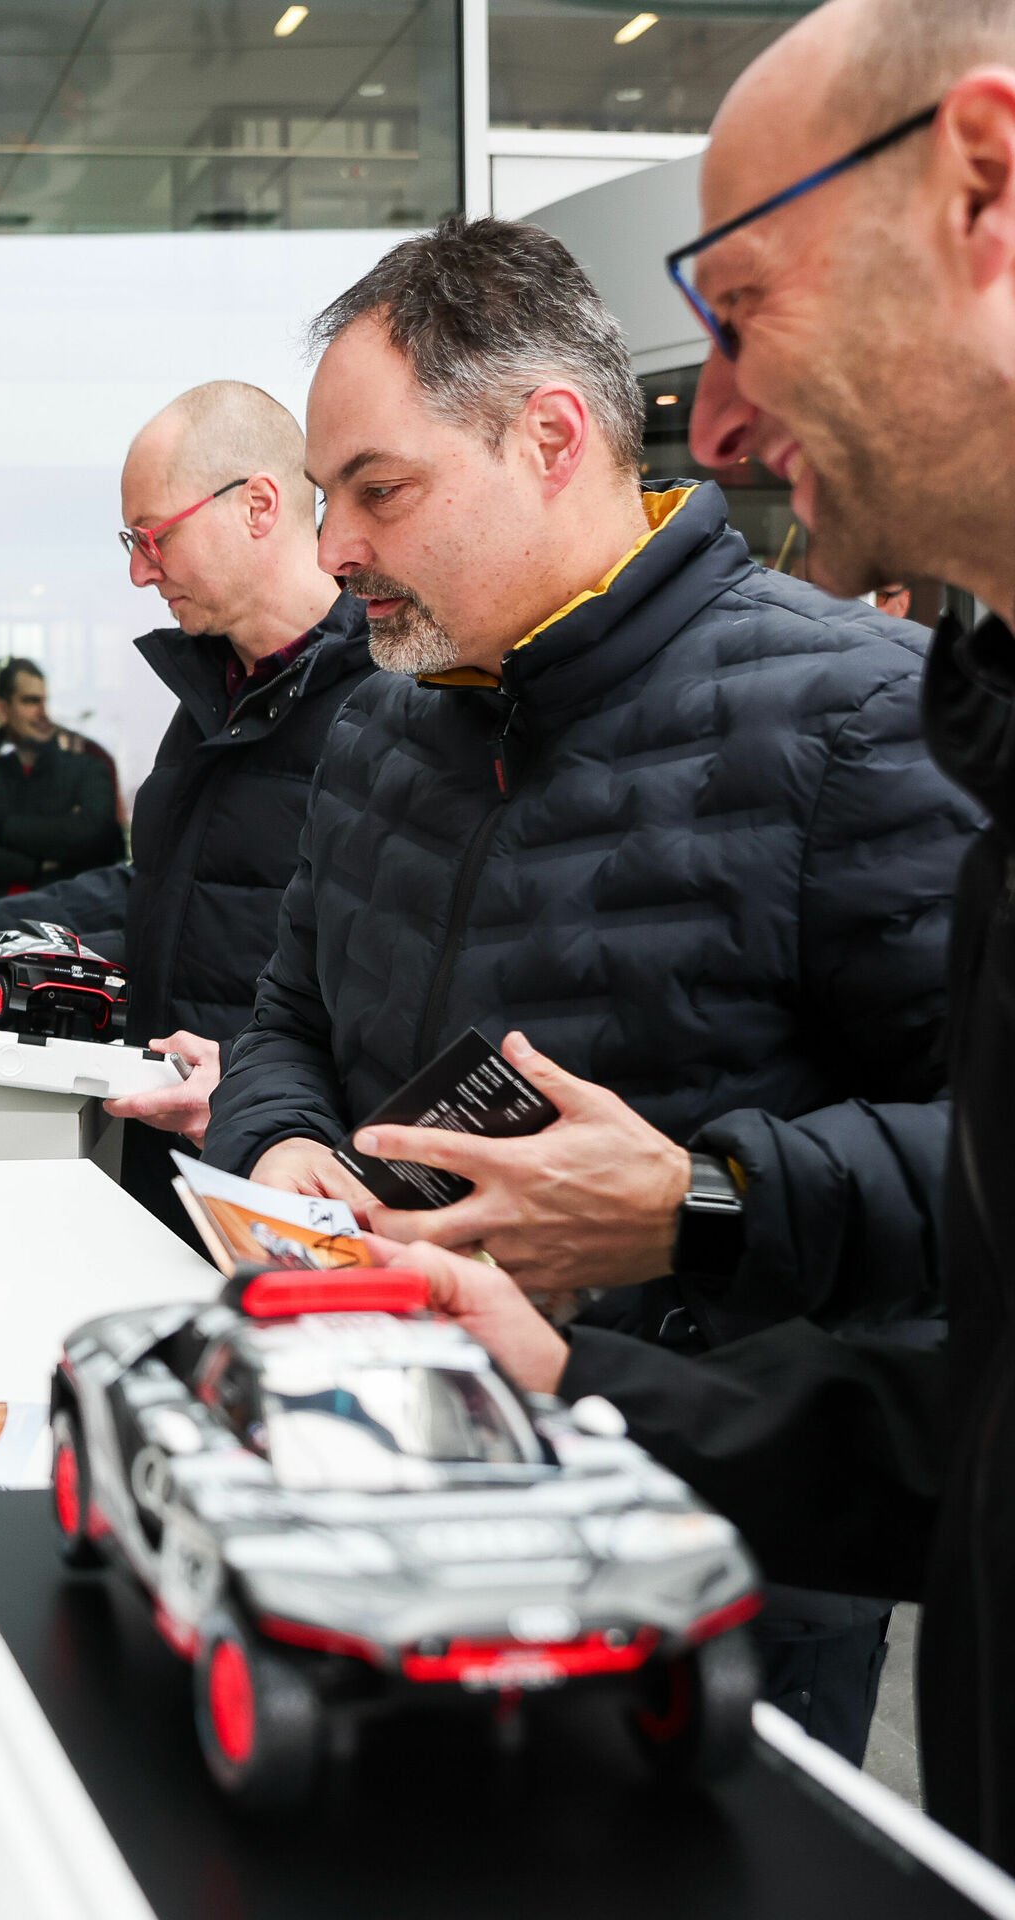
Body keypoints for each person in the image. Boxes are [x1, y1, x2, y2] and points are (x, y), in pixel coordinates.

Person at [199, 218, 978, 1758]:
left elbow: (983, 1164)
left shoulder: (860, 721)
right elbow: (286, 1020)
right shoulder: (377, 730)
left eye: (379, 490)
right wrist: (279, 1146)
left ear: (550, 438)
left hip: (722, 1546)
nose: (337, 548)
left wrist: (702, 1196)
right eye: (322, 499)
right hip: (398, 1467)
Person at [398, 0, 1015, 1853]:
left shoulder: (870, 711)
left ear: (986, 183)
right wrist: (585, 1386)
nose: (722, 418)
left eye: (741, 307)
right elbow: (978, 1439)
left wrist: (704, 1208)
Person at [0, 382, 375, 1241]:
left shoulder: (388, 701)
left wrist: (270, 1103)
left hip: (292, 1178)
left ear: (259, 504)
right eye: (130, 542)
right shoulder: (213, 699)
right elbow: (165, 893)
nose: (141, 570)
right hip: (170, 1158)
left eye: (153, 537)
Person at [0, 658, 122, 908]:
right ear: (2, 709)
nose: (43, 713)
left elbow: (94, 835)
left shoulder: (87, 768)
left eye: (47, 701)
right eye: (31, 701)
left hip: (66, 928)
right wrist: (37, 864)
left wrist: (0, 833)